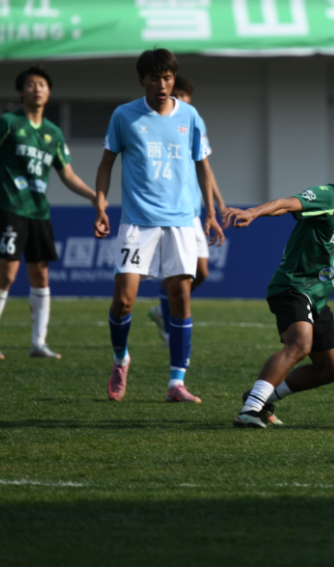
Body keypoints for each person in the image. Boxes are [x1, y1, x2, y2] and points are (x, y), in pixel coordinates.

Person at [93, 49, 224, 405]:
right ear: (142, 81)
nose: (162, 85)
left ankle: (176, 382)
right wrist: (100, 204)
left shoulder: (190, 116)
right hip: (137, 222)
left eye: (167, 78)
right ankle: (120, 359)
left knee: (181, 297)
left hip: (180, 221)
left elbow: (203, 166)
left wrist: (210, 213)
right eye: (155, 78)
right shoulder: (124, 116)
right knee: (124, 301)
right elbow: (105, 165)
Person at [227, 146, 334, 429]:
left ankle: (263, 398)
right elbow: (286, 203)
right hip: (294, 286)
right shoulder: (327, 195)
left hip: (318, 298)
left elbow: (325, 230)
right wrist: (253, 212)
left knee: (331, 369)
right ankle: (250, 409)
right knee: (300, 344)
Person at [0, 66, 97, 361]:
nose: (37, 88)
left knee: (41, 275)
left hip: (40, 213)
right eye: (30, 84)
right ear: (20, 91)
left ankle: (38, 344)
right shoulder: (7, 123)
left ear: (49, 92)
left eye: (42, 84)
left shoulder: (53, 133)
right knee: (7, 275)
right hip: (11, 210)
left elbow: (67, 174)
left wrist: (93, 195)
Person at [147, 75, 226, 345]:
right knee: (175, 273)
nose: (180, 100)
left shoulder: (193, 122)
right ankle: (169, 325)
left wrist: (218, 203)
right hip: (169, 212)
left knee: (201, 272)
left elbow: (206, 168)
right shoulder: (158, 124)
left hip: (192, 212)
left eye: (184, 97)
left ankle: (163, 308)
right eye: (176, 96)